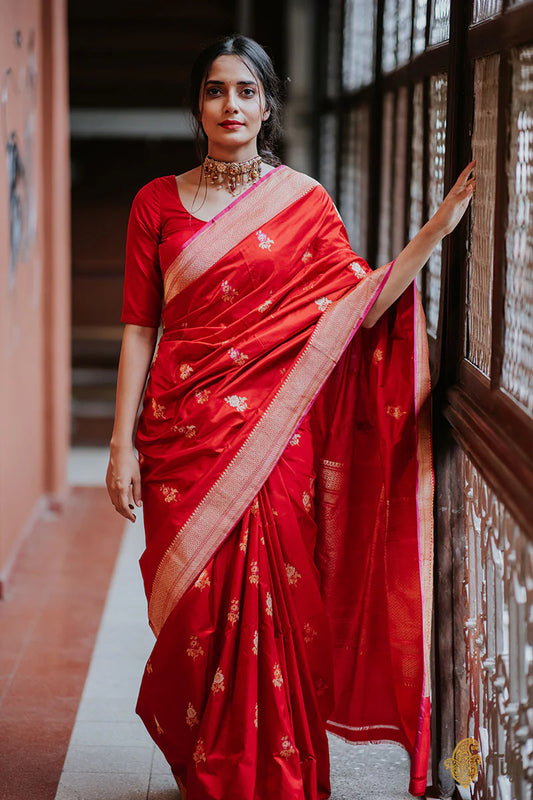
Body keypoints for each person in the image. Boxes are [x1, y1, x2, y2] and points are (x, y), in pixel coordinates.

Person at [106, 34, 475, 800]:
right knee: (194, 609)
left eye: (245, 91)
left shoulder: (302, 202)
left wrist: (434, 232)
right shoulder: (155, 203)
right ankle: (211, 757)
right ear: (197, 105)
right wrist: (120, 445)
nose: (229, 105)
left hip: (274, 441)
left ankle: (272, 768)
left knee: (277, 596)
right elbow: (141, 327)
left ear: (267, 105)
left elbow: (356, 304)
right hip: (180, 435)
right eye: (215, 90)